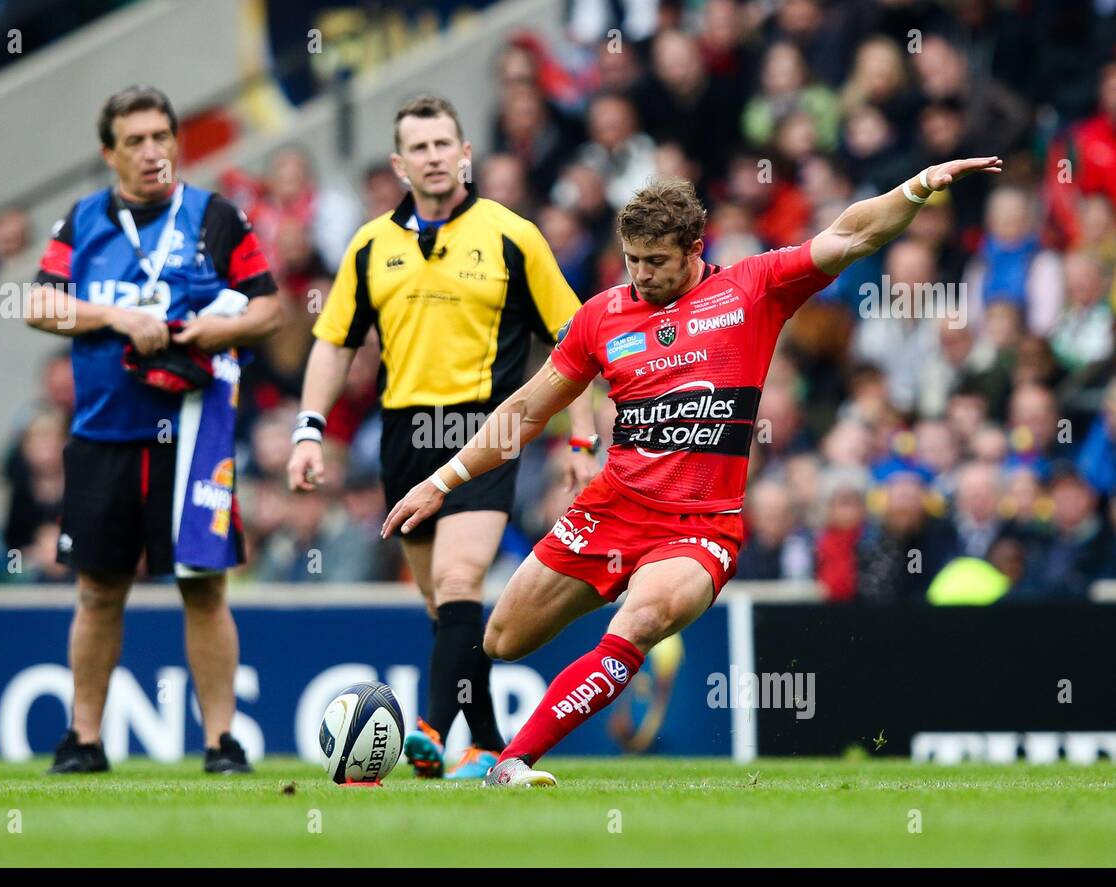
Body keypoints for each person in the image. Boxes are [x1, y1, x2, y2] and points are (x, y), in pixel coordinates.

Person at [384, 155, 1004, 787]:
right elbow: (524, 410)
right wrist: (440, 482)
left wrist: (917, 186)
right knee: (501, 641)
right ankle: (540, 706)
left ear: (694, 249)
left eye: (656, 261)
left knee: (644, 619)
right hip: (611, 510)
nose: (642, 275)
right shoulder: (600, 317)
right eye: (632, 259)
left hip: (700, 525)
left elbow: (851, 234)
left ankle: (512, 762)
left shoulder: (751, 289)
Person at [287, 95, 597, 780]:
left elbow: (577, 340)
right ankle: (486, 742)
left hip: (488, 426)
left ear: (465, 154)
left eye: (442, 145)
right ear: (400, 163)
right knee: (443, 605)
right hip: (405, 436)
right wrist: (308, 430)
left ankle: (429, 725)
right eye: (418, 148)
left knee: (461, 577)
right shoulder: (371, 246)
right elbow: (333, 344)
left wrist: (581, 440)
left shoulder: (512, 235)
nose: (432, 157)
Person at [24, 85, 282, 774]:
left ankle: (222, 742)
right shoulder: (83, 220)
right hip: (105, 434)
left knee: (204, 585)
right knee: (98, 588)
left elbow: (270, 308)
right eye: (134, 140)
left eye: (161, 137)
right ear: (109, 153)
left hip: (195, 434)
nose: (151, 152)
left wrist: (221, 327)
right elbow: (37, 304)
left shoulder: (216, 216)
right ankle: (83, 739)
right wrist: (116, 318)